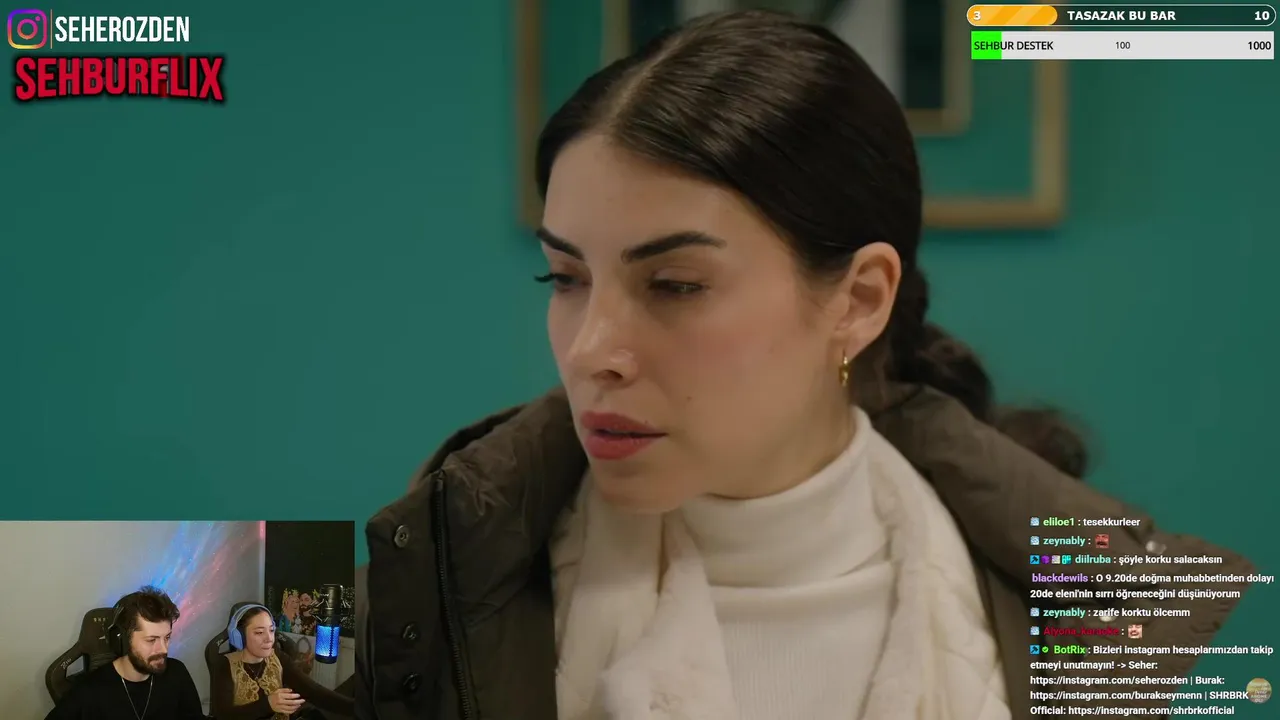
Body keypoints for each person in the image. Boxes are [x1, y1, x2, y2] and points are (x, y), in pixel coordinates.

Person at [355, 10, 1254, 720]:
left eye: (673, 284)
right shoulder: (413, 605)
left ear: (858, 300)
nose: (590, 350)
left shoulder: (1075, 631)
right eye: (565, 278)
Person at [46, 586, 204, 720]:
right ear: (122, 641)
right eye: (151, 640)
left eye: (167, 637)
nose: (163, 649)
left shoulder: (177, 673)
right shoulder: (90, 691)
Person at [209, 603, 354, 719]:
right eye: (259, 632)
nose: (269, 639)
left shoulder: (277, 657)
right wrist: (268, 705)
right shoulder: (224, 665)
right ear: (239, 636)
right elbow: (223, 715)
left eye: (271, 630)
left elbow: (312, 690)